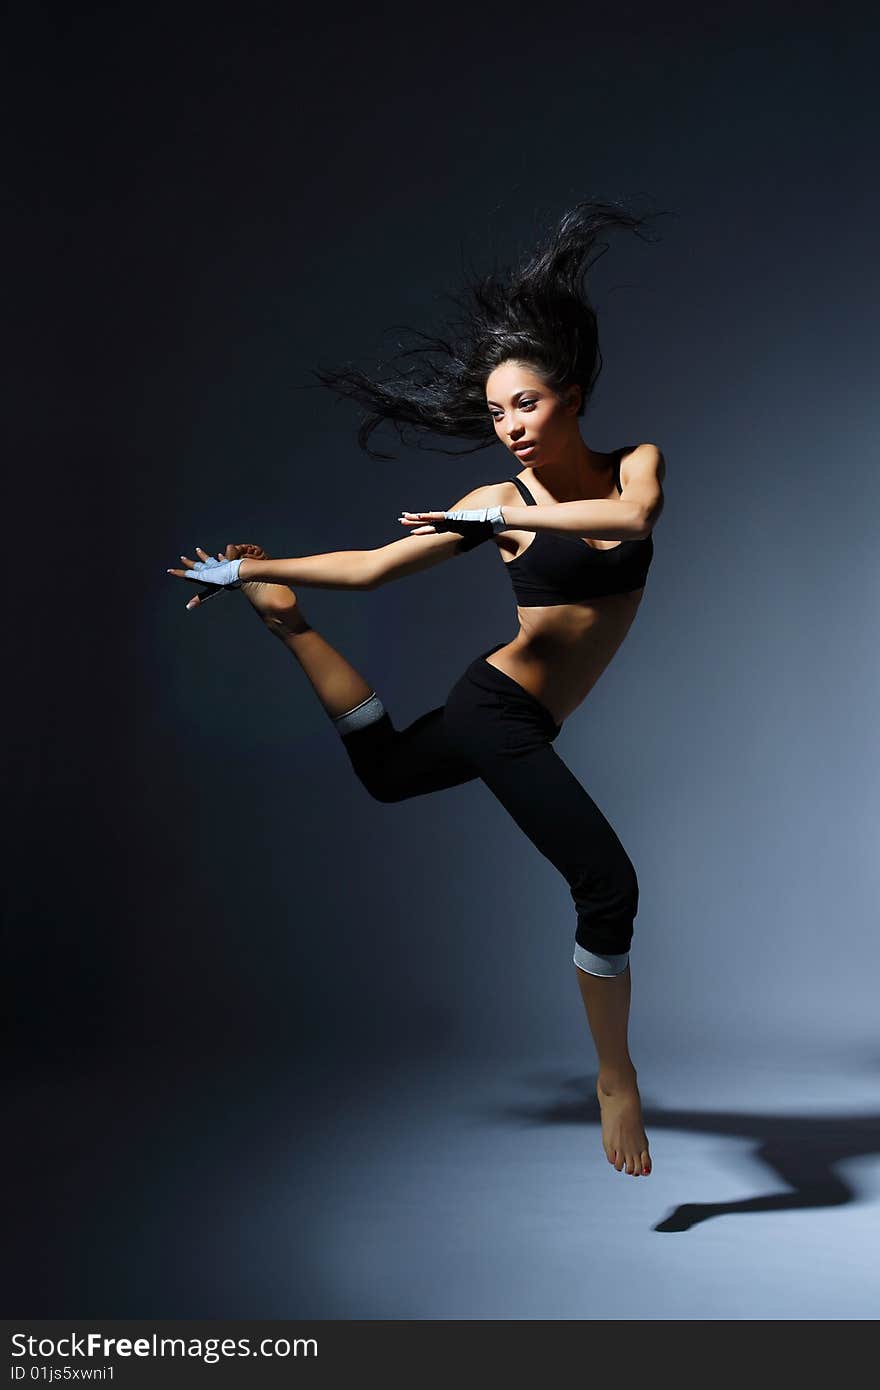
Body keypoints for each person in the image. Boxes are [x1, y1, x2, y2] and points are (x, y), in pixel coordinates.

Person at [167, 199, 666, 1178]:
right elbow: (371, 566)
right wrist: (249, 572)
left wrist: (503, 531)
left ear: (567, 391)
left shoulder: (630, 466)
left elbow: (633, 518)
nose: (509, 427)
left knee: (390, 772)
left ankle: (291, 637)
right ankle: (616, 1078)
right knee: (607, 886)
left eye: (521, 403)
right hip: (501, 708)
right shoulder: (491, 502)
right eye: (493, 414)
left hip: (519, 715)